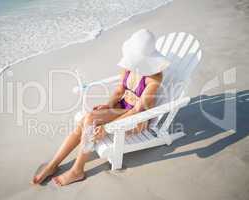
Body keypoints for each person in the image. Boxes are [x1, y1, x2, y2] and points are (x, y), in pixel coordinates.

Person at [31, 29, 170, 186]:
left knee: (90, 120)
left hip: (138, 120)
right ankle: (53, 165)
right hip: (122, 108)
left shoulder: (155, 78)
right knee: (87, 120)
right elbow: (119, 90)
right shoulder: (129, 65)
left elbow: (137, 110)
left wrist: (108, 127)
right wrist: (108, 105)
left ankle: (77, 170)